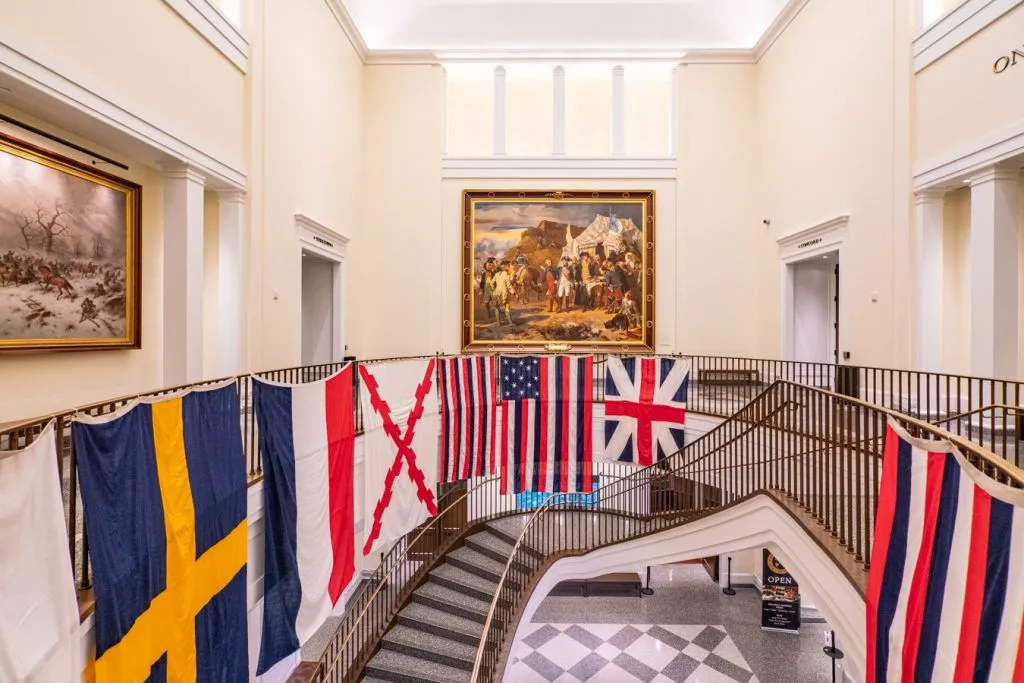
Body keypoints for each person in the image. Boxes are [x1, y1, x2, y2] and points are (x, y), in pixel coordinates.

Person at [490, 260, 515, 326]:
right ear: (501, 266)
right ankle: (510, 323)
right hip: (503, 293)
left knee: (497, 307)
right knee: (506, 307)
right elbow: (509, 286)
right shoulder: (506, 274)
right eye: (503, 265)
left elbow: (491, 283)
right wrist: (514, 293)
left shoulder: (496, 274)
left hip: (497, 293)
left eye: (505, 264)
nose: (505, 266)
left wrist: (494, 289)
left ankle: (498, 323)